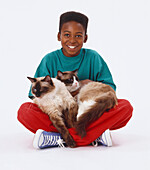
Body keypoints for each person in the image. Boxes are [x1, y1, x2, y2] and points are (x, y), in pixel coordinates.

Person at [17, 11, 133, 149]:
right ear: (59, 36)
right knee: (24, 111)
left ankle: (58, 138)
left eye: (78, 36)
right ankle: (93, 136)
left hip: (89, 111)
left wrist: (88, 86)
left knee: (125, 107)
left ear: (85, 38)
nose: (72, 40)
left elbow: (111, 90)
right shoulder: (49, 59)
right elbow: (34, 95)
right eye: (67, 35)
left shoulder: (93, 57)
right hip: (59, 114)